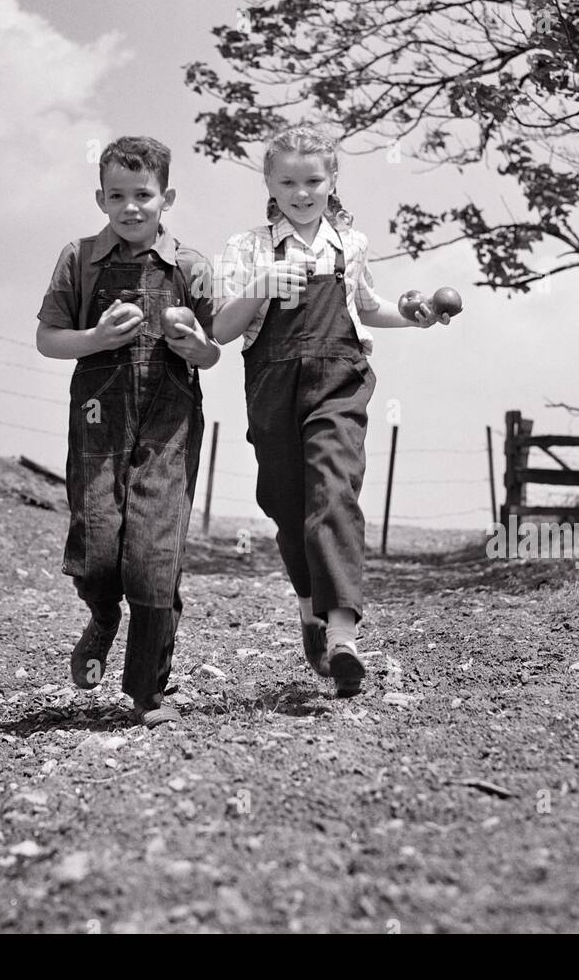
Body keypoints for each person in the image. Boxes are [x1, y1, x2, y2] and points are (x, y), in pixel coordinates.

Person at [213, 125, 450, 697]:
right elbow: (219, 330)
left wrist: (414, 314)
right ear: (268, 182)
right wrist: (264, 283)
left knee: (334, 490)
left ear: (333, 180)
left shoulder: (351, 245)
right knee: (287, 504)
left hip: (340, 381)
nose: (301, 192)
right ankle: (310, 613)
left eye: (313, 179)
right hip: (272, 384)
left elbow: (367, 307)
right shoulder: (245, 248)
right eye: (288, 181)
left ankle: (343, 635)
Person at [36, 136, 220, 727]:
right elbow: (48, 338)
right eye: (118, 195)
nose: (131, 207)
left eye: (143, 195)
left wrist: (194, 345)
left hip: (168, 424)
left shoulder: (191, 267)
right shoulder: (79, 257)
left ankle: (147, 691)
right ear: (100, 197)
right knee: (95, 547)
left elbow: (214, 351)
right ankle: (102, 616)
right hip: (97, 420)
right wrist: (96, 340)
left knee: (152, 555)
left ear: (167, 197)